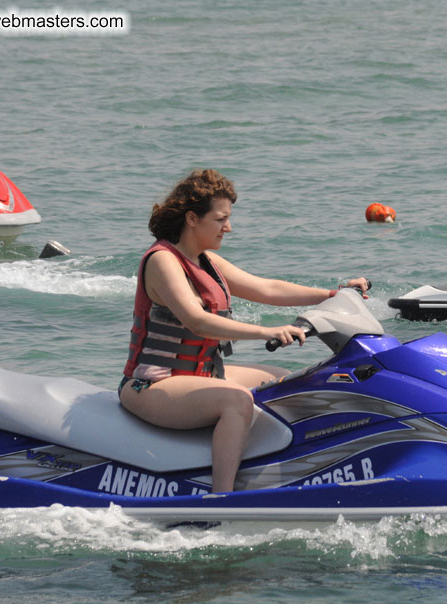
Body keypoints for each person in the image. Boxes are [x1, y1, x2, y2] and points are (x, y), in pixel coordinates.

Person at [119, 169, 369, 493]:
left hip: (200, 374)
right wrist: (266, 332)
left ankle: (281, 474)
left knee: (287, 382)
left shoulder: (207, 261)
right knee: (237, 401)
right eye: (220, 219)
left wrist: (333, 294)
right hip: (152, 384)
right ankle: (221, 498)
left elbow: (267, 289)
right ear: (192, 218)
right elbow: (197, 321)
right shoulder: (162, 261)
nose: (229, 227)